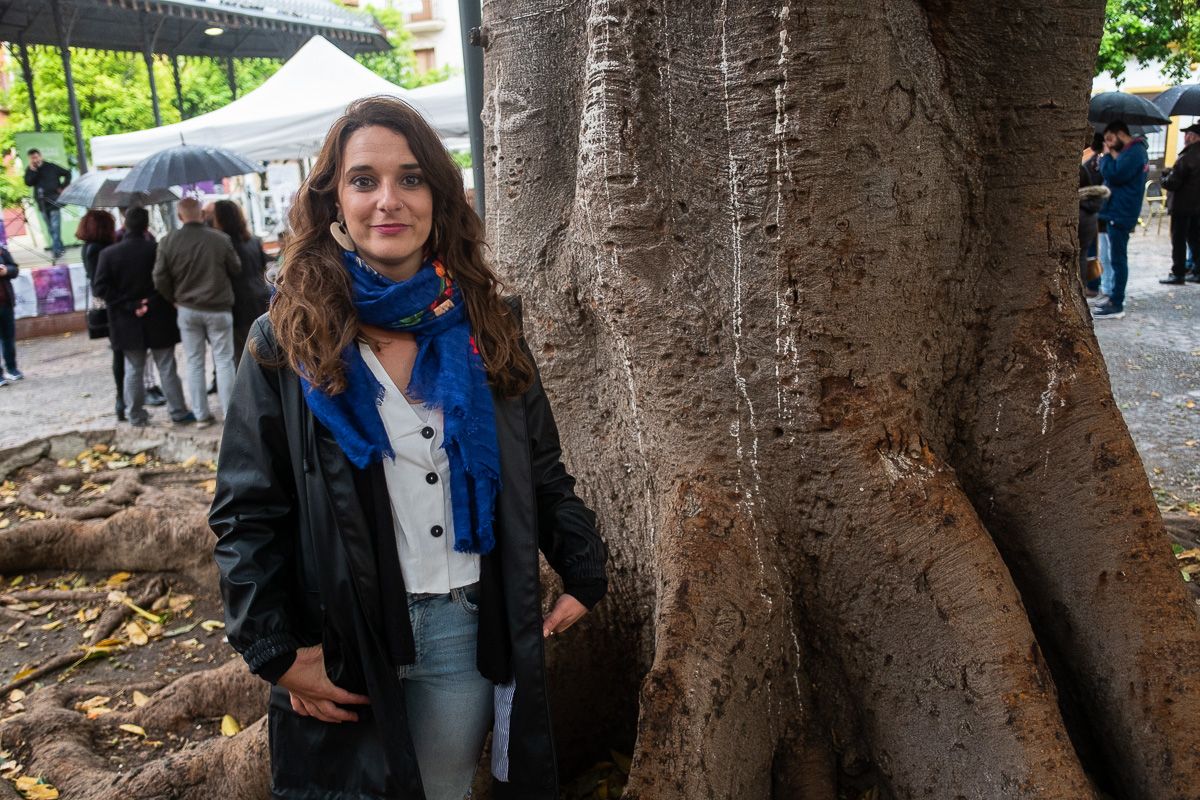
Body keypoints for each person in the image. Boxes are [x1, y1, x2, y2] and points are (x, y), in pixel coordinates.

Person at [210, 96, 608, 800]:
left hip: (466, 628)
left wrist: (582, 567)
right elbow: (248, 508)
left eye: (412, 178)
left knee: (445, 788)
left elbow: (537, 467)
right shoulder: (285, 338)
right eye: (364, 180)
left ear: (439, 196)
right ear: (334, 197)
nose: (387, 200)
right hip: (341, 632)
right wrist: (274, 650)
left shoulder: (488, 322)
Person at [93, 208, 192, 428]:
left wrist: (130, 305)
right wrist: (148, 302)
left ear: (125, 224)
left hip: (125, 320)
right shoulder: (156, 250)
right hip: (158, 317)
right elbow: (168, 281)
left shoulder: (109, 254)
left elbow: (100, 287)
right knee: (166, 366)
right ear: (147, 225)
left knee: (133, 369)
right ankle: (177, 411)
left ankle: (135, 414)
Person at [152, 197, 241, 428]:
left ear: (180, 216)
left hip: (187, 309)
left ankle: (201, 415)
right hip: (219, 307)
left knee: (194, 361)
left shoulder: (168, 241)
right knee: (224, 360)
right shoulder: (220, 239)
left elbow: (159, 276)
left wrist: (173, 298)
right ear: (202, 215)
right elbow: (236, 268)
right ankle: (230, 414)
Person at [1094, 120, 1149, 320]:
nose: (1107, 143)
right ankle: (1113, 298)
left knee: (1118, 259)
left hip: (1121, 211)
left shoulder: (1134, 153)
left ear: (1120, 134)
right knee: (1113, 257)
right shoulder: (1133, 152)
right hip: (1118, 210)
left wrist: (1107, 156)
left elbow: (1115, 174)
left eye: (1110, 139)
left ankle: (1117, 303)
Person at [76, 209, 125, 420]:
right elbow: (101, 283)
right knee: (120, 353)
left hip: (110, 305)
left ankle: (123, 399)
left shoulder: (90, 248)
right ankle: (121, 399)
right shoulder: (99, 250)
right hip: (113, 307)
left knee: (120, 353)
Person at [211, 200, 271, 366]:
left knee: (244, 355)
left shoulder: (224, 245)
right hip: (261, 296)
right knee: (264, 347)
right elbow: (262, 267)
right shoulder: (253, 241)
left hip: (239, 303)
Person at [1159, 122, 1200, 285]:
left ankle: (1178, 273)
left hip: (1182, 207)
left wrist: (1164, 176)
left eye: (1188, 134)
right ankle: (1197, 271)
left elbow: (1172, 183)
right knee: (1195, 239)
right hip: (1196, 207)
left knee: (1179, 240)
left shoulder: (1186, 157)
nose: (1185, 137)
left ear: (1193, 137)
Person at [22, 149, 71, 260]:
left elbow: (67, 173)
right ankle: (60, 247)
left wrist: (63, 187)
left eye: (36, 157)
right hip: (42, 203)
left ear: (40, 156)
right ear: (30, 159)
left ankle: (56, 251)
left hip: (54, 201)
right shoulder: (31, 170)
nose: (35, 159)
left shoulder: (51, 166)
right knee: (50, 228)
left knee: (55, 226)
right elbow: (28, 183)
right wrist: (33, 170)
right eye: (32, 158)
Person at [0, 244, 21, 386]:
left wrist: (6, 270)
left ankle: (12, 369)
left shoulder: (2, 250)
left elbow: (14, 269)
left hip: (5, 302)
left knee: (8, 338)